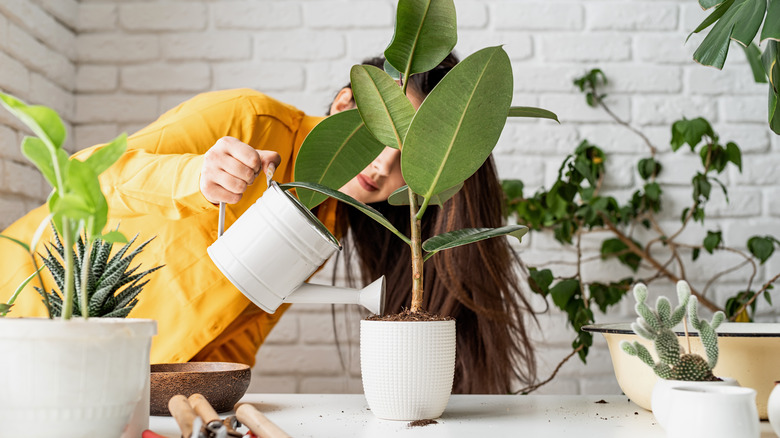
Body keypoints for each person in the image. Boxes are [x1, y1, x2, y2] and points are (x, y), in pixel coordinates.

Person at [0, 54, 537, 394]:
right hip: (22, 306)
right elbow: (79, 177)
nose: (382, 169)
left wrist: (210, 400)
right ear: (346, 103)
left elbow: (238, 324)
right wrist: (195, 175)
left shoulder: (330, 218)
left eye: (408, 163)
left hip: (97, 375)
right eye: (383, 139)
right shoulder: (249, 120)